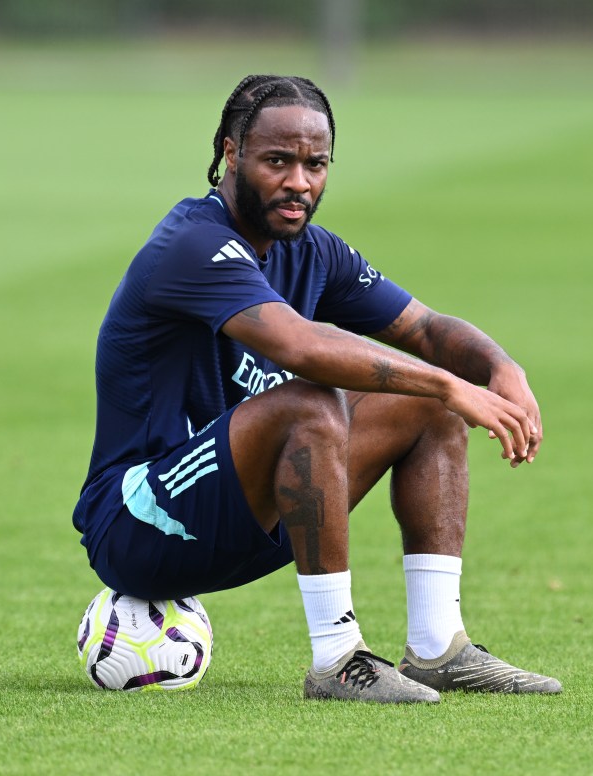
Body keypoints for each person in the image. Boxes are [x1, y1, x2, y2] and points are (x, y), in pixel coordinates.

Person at [73, 74, 561, 703]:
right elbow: (301, 348)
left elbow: (429, 329)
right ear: (230, 153)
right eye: (278, 160)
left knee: (424, 407)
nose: (298, 182)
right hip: (142, 522)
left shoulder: (312, 252)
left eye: (315, 164)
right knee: (315, 399)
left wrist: (500, 366)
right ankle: (337, 659)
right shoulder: (192, 244)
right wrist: (448, 383)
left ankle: (439, 647)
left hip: (249, 514)